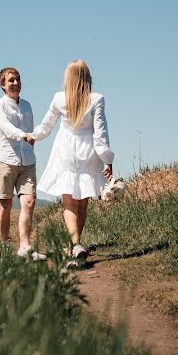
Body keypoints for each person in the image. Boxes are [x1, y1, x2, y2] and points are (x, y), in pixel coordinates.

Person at [29, 60, 114, 261]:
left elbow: (47, 125)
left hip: (66, 150)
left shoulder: (60, 98)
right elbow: (101, 133)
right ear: (87, 78)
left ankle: (75, 245)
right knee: (83, 201)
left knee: (69, 201)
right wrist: (107, 159)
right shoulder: (97, 99)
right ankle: (76, 245)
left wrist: (34, 136)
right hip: (88, 151)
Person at [0, 67, 47, 261]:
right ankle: (4, 246)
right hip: (5, 160)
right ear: (3, 85)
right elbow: (6, 128)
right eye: (11, 81)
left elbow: (31, 130)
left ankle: (25, 247)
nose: (15, 83)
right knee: (5, 204)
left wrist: (32, 137)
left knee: (29, 201)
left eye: (18, 79)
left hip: (27, 161)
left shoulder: (27, 105)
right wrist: (23, 135)